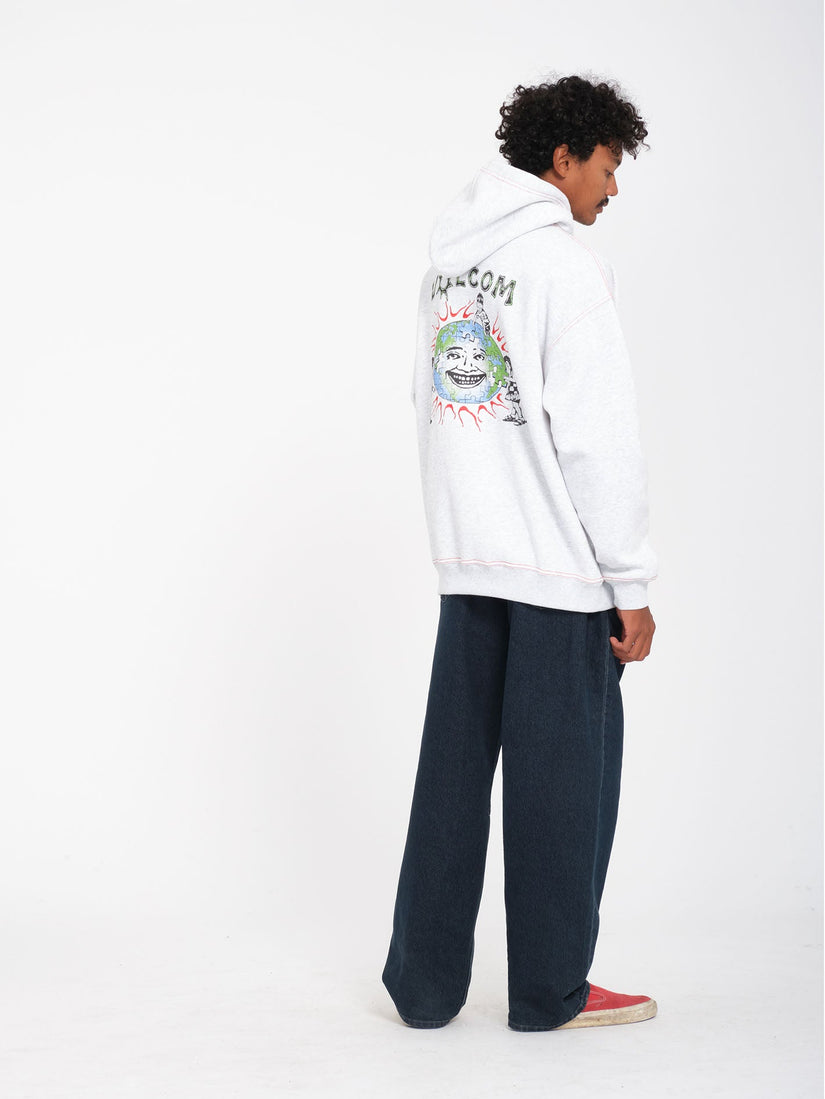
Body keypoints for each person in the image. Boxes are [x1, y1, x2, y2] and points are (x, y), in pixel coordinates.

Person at [381, 74, 659, 1032]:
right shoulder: (563, 268)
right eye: (606, 166)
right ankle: (548, 993)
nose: (611, 189)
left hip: (469, 567)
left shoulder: (445, 269)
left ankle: (423, 990)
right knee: (561, 789)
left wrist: (463, 528)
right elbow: (598, 436)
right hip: (557, 574)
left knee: (450, 782)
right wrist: (629, 580)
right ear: (563, 156)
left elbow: (427, 402)